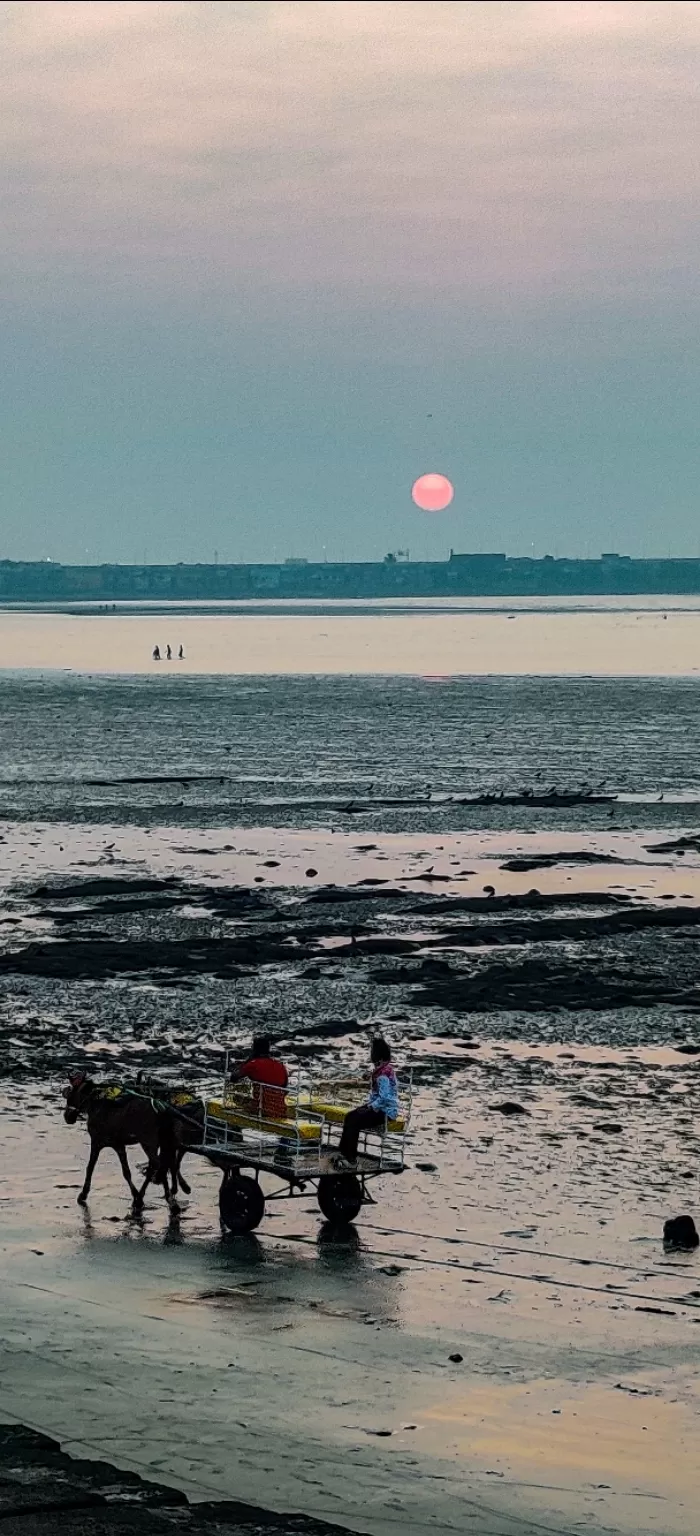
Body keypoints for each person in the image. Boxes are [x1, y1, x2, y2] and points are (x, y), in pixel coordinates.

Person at [334, 1037, 399, 1168]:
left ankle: (351, 1160)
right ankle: (344, 1152)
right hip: (379, 1107)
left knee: (354, 1121)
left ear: (377, 1056)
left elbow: (384, 1098)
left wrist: (369, 1107)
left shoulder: (383, 1074)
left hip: (384, 1111)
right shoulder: (383, 1069)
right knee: (349, 1116)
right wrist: (370, 1076)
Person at [229, 1035, 288, 1118]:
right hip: (280, 1109)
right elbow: (285, 1088)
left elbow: (233, 1078)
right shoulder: (280, 1066)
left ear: (254, 1050)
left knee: (237, 1098)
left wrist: (248, 1060)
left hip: (261, 1109)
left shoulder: (253, 1065)